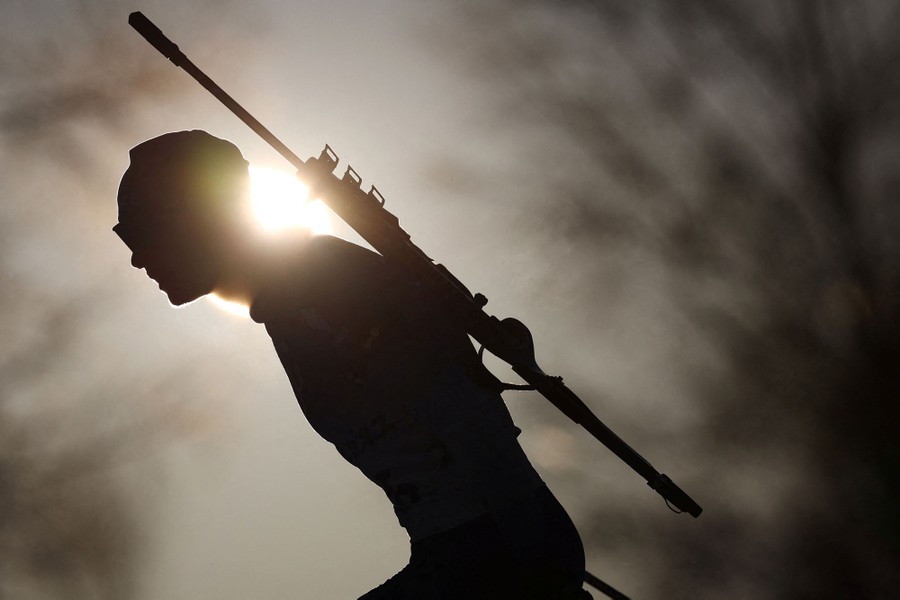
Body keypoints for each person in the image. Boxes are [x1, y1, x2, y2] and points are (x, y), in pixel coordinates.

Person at [114, 130, 589, 599]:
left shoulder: (325, 290)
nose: (136, 259)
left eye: (140, 233)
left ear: (195, 222)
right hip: (476, 553)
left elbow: (466, 418)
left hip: (498, 552)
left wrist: (542, 572)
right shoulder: (290, 302)